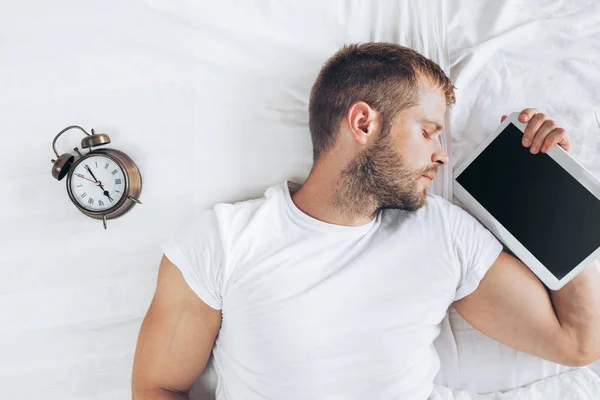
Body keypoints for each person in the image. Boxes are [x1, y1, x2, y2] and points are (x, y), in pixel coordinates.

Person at [131, 42, 600, 400]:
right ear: (362, 123)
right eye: (428, 131)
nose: (441, 154)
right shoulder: (223, 241)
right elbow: (157, 388)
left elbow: (578, 342)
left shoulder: (442, 233)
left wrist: (550, 193)